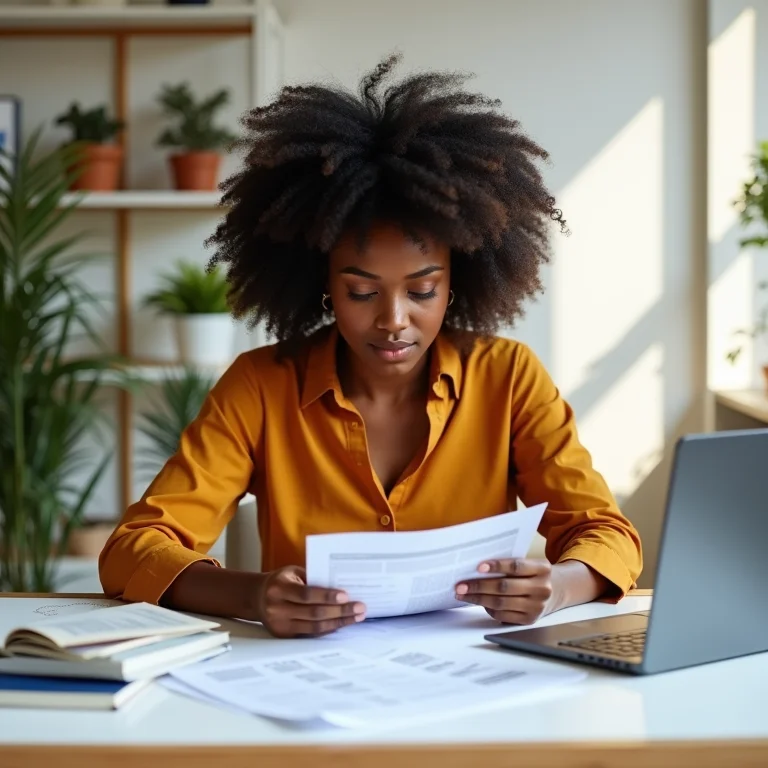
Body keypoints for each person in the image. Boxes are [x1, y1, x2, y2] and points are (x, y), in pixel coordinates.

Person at [99, 55, 642, 639]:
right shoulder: (260, 385)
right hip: (302, 678)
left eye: (422, 290)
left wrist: (557, 587)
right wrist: (252, 594)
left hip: (472, 677)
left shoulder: (509, 378)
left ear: (458, 280)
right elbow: (132, 551)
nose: (393, 320)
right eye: (362, 291)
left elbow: (606, 534)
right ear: (323, 284)